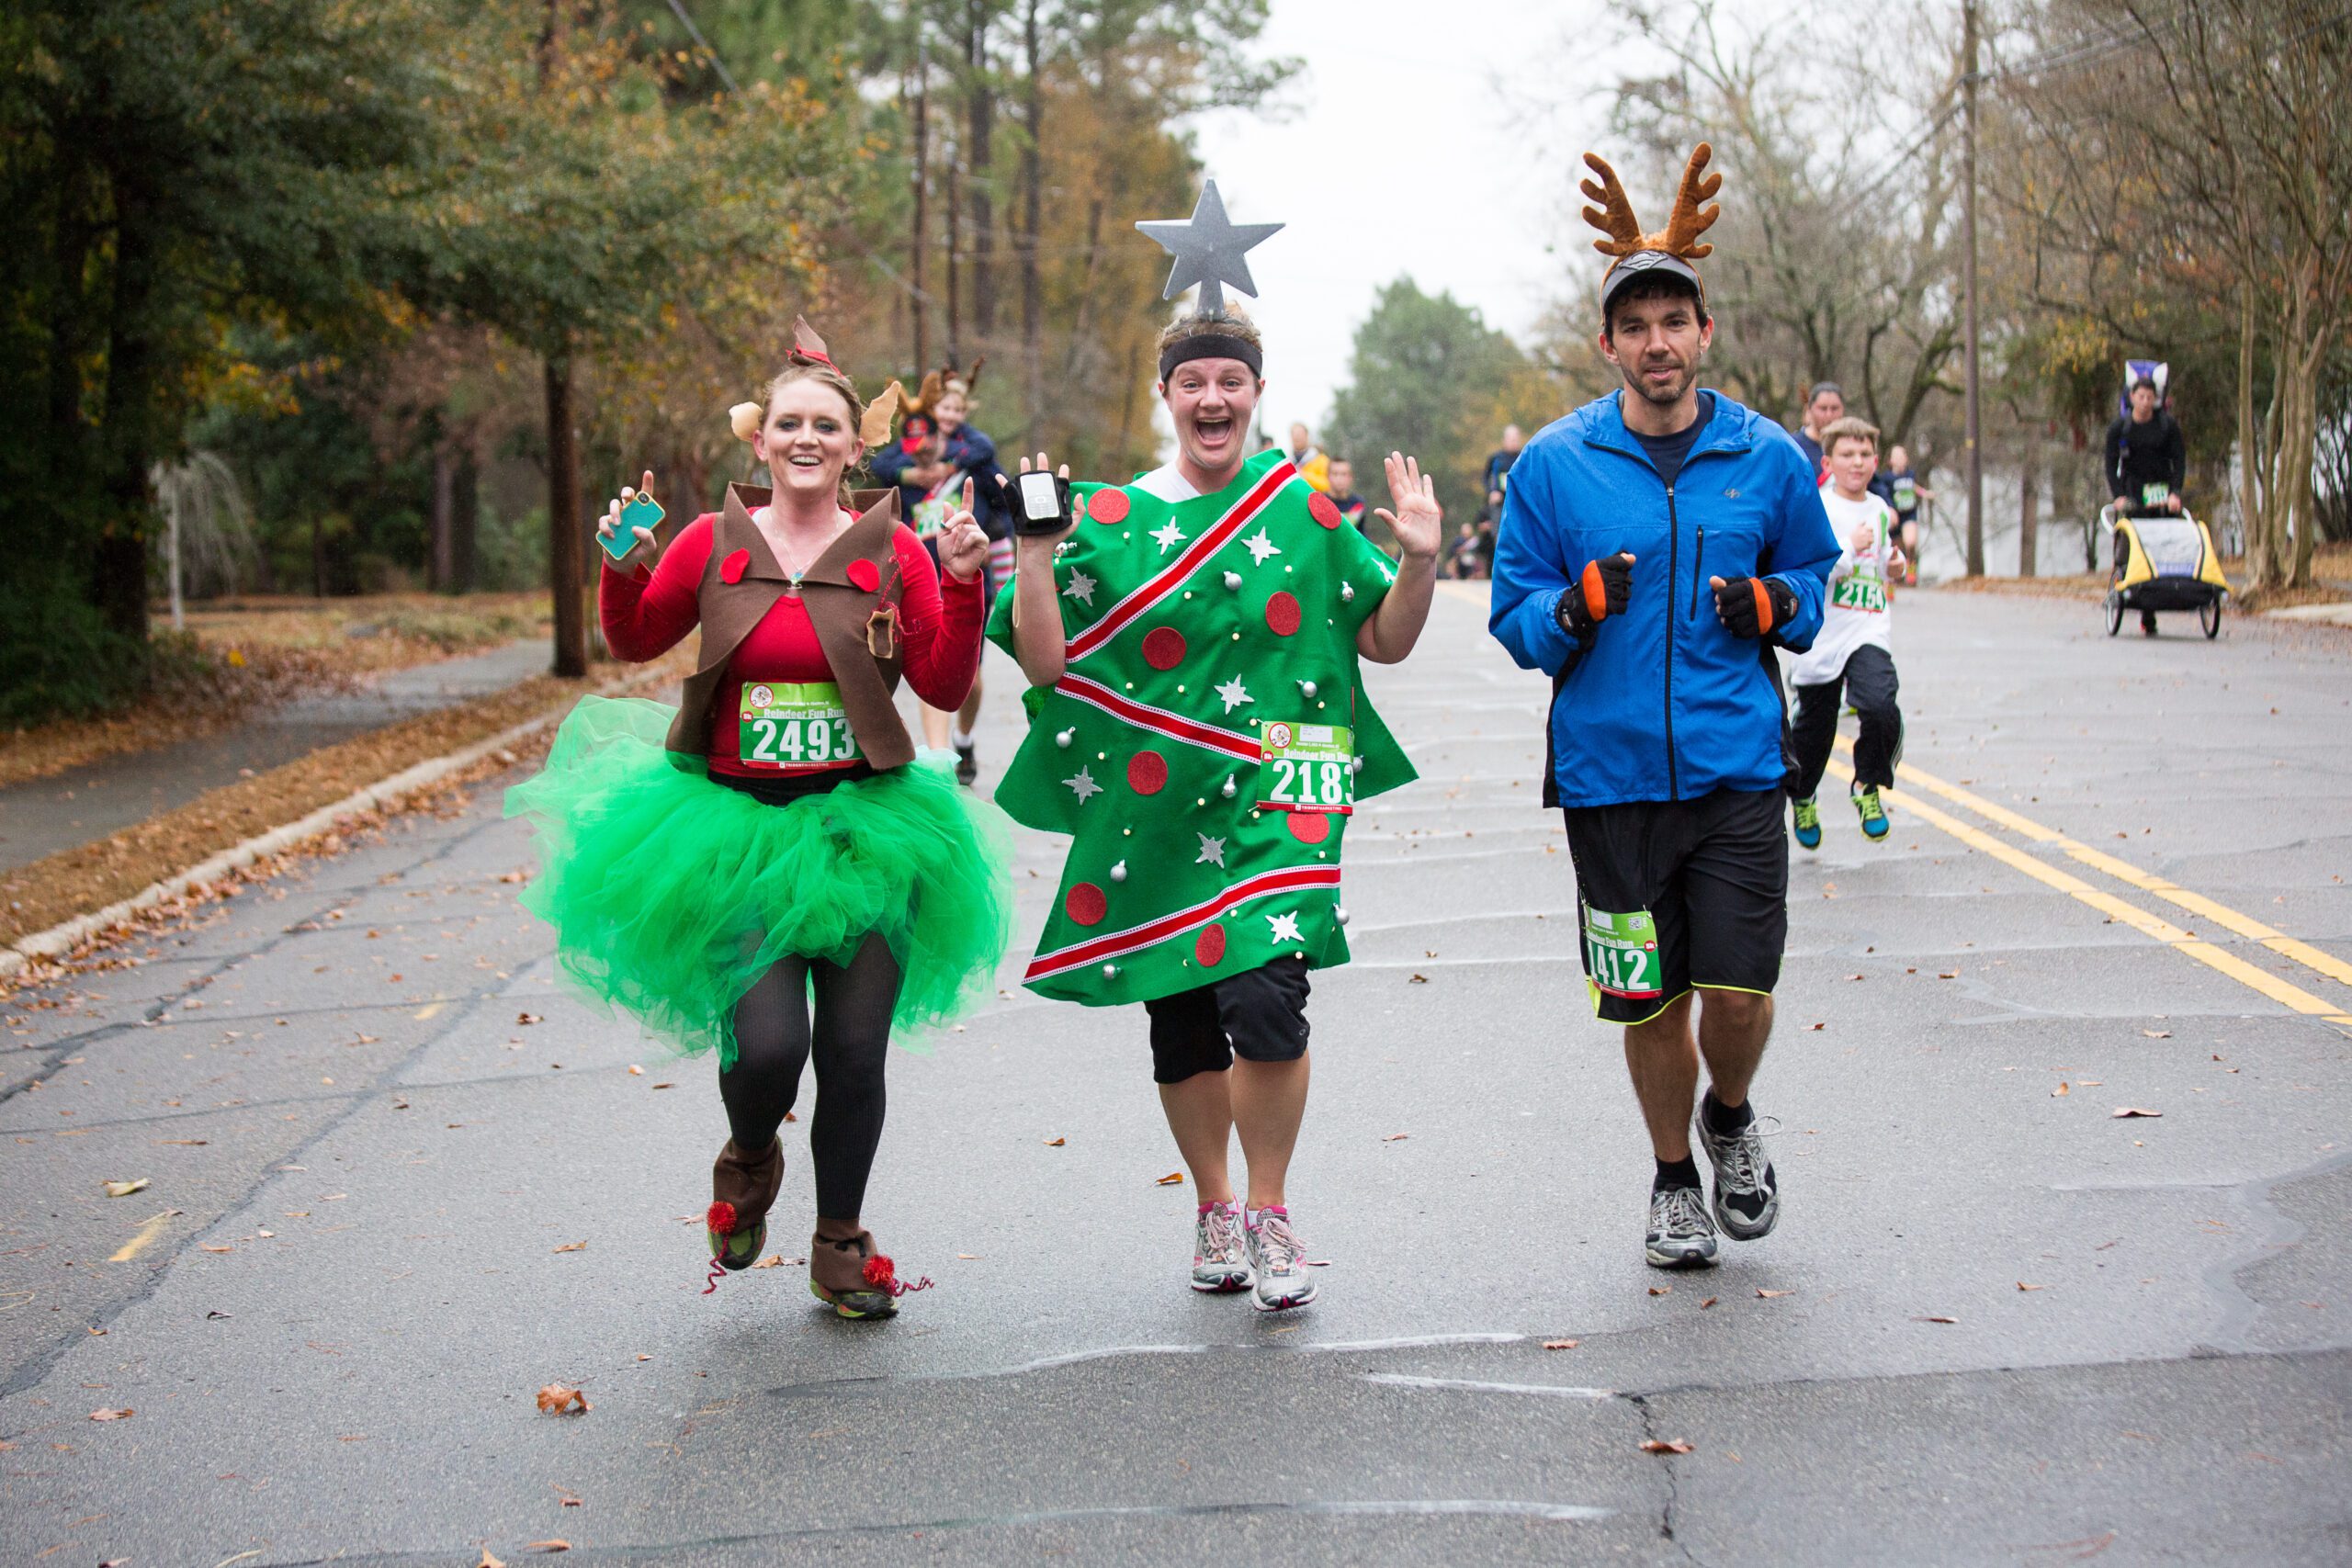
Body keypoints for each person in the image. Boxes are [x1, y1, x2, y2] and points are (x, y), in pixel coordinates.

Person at [505, 317, 1014, 1321]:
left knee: (854, 1057)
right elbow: (636, 631)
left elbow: (944, 681)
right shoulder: (712, 539)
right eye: (789, 424)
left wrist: (962, 586)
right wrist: (619, 559)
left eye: (825, 425)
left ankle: (839, 1240)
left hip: (867, 828)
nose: (807, 440)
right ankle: (748, 1153)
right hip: (736, 829)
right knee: (771, 1049)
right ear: (761, 439)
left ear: (850, 444)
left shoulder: (894, 549)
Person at [989, 305, 1442, 1313]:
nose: (1211, 398)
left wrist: (1415, 562)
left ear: (1255, 392)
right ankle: (1214, 1204)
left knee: (1266, 1001)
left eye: (1229, 381)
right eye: (1192, 381)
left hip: (1278, 801)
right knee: (1184, 1019)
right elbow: (1045, 658)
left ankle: (1270, 1209)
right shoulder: (1108, 519)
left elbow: (1385, 643)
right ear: (1166, 395)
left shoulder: (1306, 514)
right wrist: (1029, 551)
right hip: (1155, 815)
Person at [1489, 143, 1838, 1272]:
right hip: (1609, 779)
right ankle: (1672, 1180)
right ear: (1606, 344)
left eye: (1672, 320)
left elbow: (1816, 585)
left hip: (1740, 770)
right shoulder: (1554, 465)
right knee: (1645, 1000)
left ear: (1704, 333)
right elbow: (1514, 616)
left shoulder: (1767, 457)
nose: (1655, 342)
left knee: (1738, 994)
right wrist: (1574, 610)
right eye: (1632, 324)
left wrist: (1773, 600)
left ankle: (1728, 1118)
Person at [872, 367, 1010, 784]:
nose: (927, 441)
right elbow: (882, 465)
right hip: (920, 582)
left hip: (968, 581)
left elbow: (1000, 495)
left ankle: (963, 739)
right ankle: (938, 758)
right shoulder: (904, 463)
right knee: (930, 666)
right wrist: (909, 474)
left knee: (971, 679)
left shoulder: (974, 460)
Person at [1784, 415, 1905, 850]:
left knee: (1879, 706)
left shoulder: (1878, 507)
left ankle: (1867, 785)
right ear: (1829, 462)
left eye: (1865, 454)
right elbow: (1812, 570)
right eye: (1847, 455)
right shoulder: (1816, 507)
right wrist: (1849, 547)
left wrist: (1897, 565)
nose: (1857, 462)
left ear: (1876, 460)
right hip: (1822, 634)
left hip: (1868, 626)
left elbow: (1884, 561)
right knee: (1814, 731)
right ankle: (1802, 795)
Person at [1792, 382, 1895, 507]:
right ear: (1809, 409)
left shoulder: (1854, 444)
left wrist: (1889, 507)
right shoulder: (1794, 447)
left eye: (1835, 409)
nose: (1829, 415)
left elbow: (1873, 483)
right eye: (1823, 408)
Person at [2105, 378, 2186, 518]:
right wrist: (2118, 495)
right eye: (2141, 397)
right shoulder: (2119, 429)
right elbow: (2110, 465)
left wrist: (2175, 492)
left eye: (2149, 398)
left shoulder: (2167, 426)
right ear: (2132, 397)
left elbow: (2179, 460)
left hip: (2162, 492)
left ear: (2155, 399)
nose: (2145, 402)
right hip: (2132, 494)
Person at [1885, 444, 1932, 586]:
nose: (1900, 460)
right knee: (1893, 552)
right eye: (1897, 457)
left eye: (1902, 456)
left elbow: (1913, 487)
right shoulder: (1886, 478)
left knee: (1910, 542)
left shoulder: (1910, 474)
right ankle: (1891, 586)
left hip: (1909, 514)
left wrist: (1925, 493)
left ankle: (1911, 567)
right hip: (1895, 518)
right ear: (1891, 461)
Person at [1325, 457, 1380, 551]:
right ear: (1328, 476)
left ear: (1350, 478)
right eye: (1335, 474)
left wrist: (1374, 549)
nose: (1339, 478)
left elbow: (1361, 534)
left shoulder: (1357, 503)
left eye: (1344, 474)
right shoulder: (1320, 502)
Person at [1285, 421, 1331, 492]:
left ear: (1307, 435)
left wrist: (1306, 476)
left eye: (1300, 434)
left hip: (1313, 501)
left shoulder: (1321, 460)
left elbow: (1328, 485)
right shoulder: (1285, 461)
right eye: (1294, 434)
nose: (1297, 437)